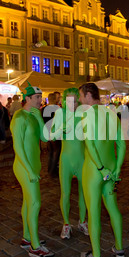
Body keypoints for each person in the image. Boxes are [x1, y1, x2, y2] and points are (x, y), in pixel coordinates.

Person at [79, 83, 126, 257]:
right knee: (113, 207)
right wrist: (117, 169)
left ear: (89, 96)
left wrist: (99, 168)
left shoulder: (87, 114)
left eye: (81, 96)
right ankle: (119, 248)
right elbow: (121, 144)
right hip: (111, 169)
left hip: (94, 170)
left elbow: (90, 144)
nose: (80, 100)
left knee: (94, 212)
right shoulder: (112, 114)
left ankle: (96, 255)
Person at [10, 83, 54, 257]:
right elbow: (17, 148)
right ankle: (35, 247)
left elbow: (45, 137)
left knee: (28, 203)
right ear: (27, 98)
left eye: (41, 97)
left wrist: (40, 118)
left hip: (33, 165)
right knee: (35, 203)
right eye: (37, 97)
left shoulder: (34, 115)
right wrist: (29, 171)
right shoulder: (19, 117)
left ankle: (27, 238)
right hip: (23, 166)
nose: (40, 100)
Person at [49, 88, 88, 239]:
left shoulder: (83, 113)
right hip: (66, 160)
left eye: (75, 100)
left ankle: (82, 221)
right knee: (65, 193)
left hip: (82, 160)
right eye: (68, 100)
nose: (72, 103)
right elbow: (51, 136)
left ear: (78, 100)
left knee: (83, 194)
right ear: (64, 100)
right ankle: (66, 224)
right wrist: (61, 128)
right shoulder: (60, 113)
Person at [44, 93, 62, 177]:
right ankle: (53, 170)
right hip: (55, 133)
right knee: (56, 152)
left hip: (47, 133)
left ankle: (50, 169)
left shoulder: (43, 109)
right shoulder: (57, 109)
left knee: (51, 152)